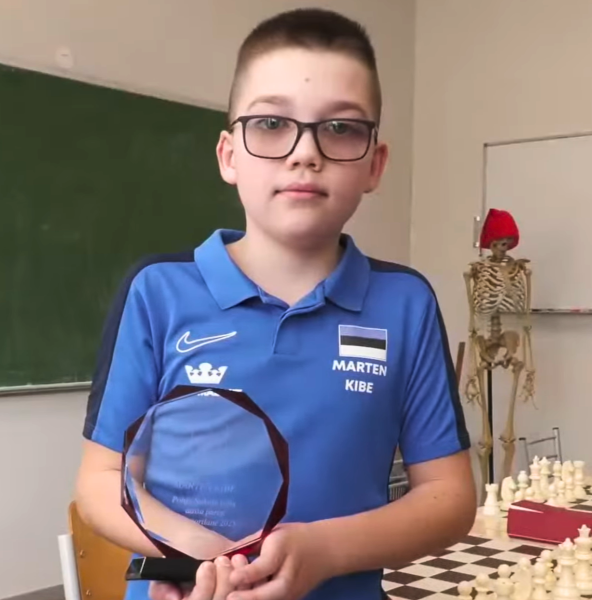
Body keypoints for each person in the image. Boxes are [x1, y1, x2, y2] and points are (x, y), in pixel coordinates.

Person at [75, 7, 477, 600]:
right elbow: (103, 481)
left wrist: (325, 551)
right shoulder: (157, 292)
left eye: (340, 128)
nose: (304, 153)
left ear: (375, 164)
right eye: (270, 123)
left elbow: (449, 497)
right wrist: (202, 558)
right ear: (228, 155)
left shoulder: (405, 304)